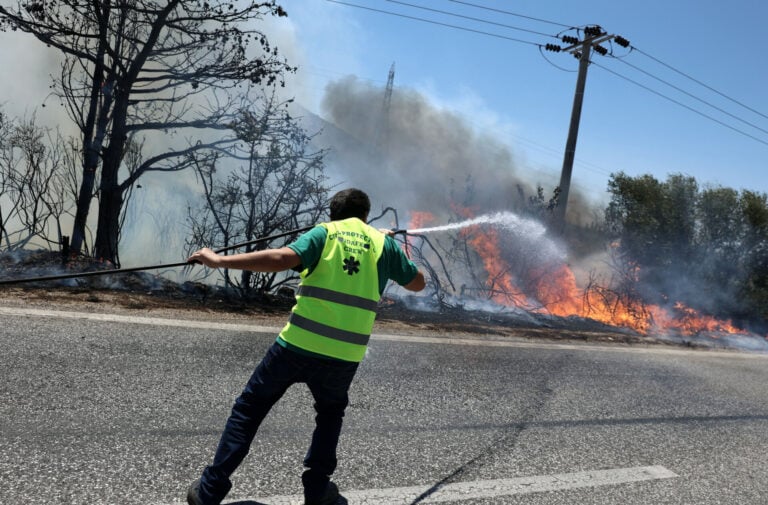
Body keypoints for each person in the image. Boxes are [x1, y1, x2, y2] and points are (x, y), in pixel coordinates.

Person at [185, 188, 426, 505]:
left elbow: (282, 259)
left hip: (297, 345)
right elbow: (418, 282)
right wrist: (390, 247)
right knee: (329, 416)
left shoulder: (325, 232)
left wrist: (220, 260)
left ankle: (210, 490)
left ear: (333, 213)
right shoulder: (383, 244)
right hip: (344, 354)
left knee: (249, 410)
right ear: (365, 215)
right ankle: (317, 491)